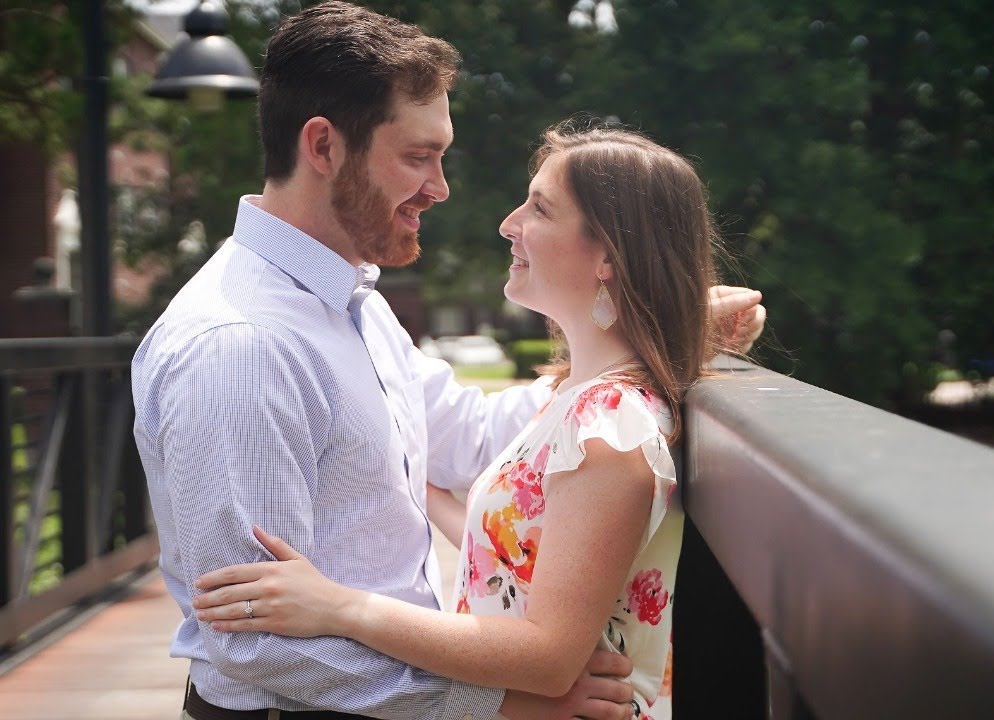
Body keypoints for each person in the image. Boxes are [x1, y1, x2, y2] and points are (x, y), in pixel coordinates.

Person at [131, 3, 764, 720]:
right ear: (324, 146)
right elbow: (257, 643)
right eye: (417, 156)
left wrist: (661, 333)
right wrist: (500, 703)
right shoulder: (242, 345)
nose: (441, 188)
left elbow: (474, 437)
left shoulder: (352, 305)